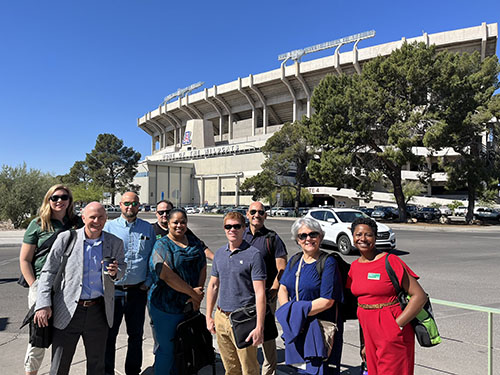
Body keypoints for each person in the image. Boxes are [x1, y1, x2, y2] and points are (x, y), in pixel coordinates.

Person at [33, 202, 126, 375]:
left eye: (100, 217)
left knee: (97, 365)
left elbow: (121, 269)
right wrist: (43, 303)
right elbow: (48, 271)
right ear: (83, 218)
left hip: (99, 312)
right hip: (68, 311)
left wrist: (116, 272)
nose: (96, 221)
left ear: (106, 219)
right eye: (92, 217)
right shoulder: (67, 238)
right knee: (59, 365)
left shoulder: (115, 242)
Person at [346, 217, 427, 375]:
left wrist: (396, 326)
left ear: (375, 237)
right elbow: (361, 304)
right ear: (353, 237)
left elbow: (419, 296)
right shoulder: (354, 267)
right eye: (358, 234)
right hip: (369, 332)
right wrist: (364, 343)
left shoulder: (391, 261)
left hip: (391, 326)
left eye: (368, 235)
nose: (363, 239)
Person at [19, 184, 83, 375]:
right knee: (39, 337)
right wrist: (35, 286)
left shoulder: (77, 224)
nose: (59, 201)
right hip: (42, 286)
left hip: (68, 288)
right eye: (54, 198)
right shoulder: (38, 224)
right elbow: (25, 259)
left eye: (64, 197)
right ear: (48, 200)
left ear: (70, 201)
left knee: (63, 337)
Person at [277, 217, 344, 375]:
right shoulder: (295, 260)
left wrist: (295, 314)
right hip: (298, 328)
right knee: (299, 370)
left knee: (318, 370)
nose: (308, 239)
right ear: (297, 240)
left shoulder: (328, 262)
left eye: (313, 234)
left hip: (319, 329)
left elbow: (327, 301)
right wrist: (289, 312)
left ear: (320, 236)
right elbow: (283, 288)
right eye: (303, 236)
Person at [206, 211, 267, 375]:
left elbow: (260, 293)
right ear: (224, 229)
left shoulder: (254, 255)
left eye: (236, 226)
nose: (232, 230)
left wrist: (260, 326)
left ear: (244, 228)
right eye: (228, 226)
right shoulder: (219, 254)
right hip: (221, 317)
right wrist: (209, 316)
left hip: (243, 320)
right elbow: (213, 286)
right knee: (230, 368)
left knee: (249, 369)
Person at [148, 208, 207, 374]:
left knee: (186, 348)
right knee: (167, 349)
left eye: (183, 222)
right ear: (168, 223)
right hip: (165, 306)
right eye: (175, 222)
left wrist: (198, 295)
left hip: (189, 307)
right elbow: (166, 275)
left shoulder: (194, 242)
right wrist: (193, 293)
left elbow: (202, 266)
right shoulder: (162, 245)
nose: (179, 225)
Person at [104, 192, 156, 375]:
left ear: (139, 205)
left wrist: (148, 282)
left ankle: (133, 371)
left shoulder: (147, 229)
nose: (130, 207)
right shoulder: (109, 227)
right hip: (114, 291)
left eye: (134, 203)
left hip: (138, 291)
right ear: (120, 205)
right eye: (127, 203)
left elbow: (152, 259)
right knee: (109, 336)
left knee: (135, 336)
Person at [244, 201, 287, 375]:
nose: (257, 215)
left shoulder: (272, 238)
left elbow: (282, 267)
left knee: (267, 336)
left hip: (267, 294)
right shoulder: (241, 234)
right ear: (247, 214)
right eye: (253, 212)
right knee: (246, 334)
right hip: (246, 295)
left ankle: (269, 371)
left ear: (265, 216)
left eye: (261, 212)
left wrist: (274, 290)